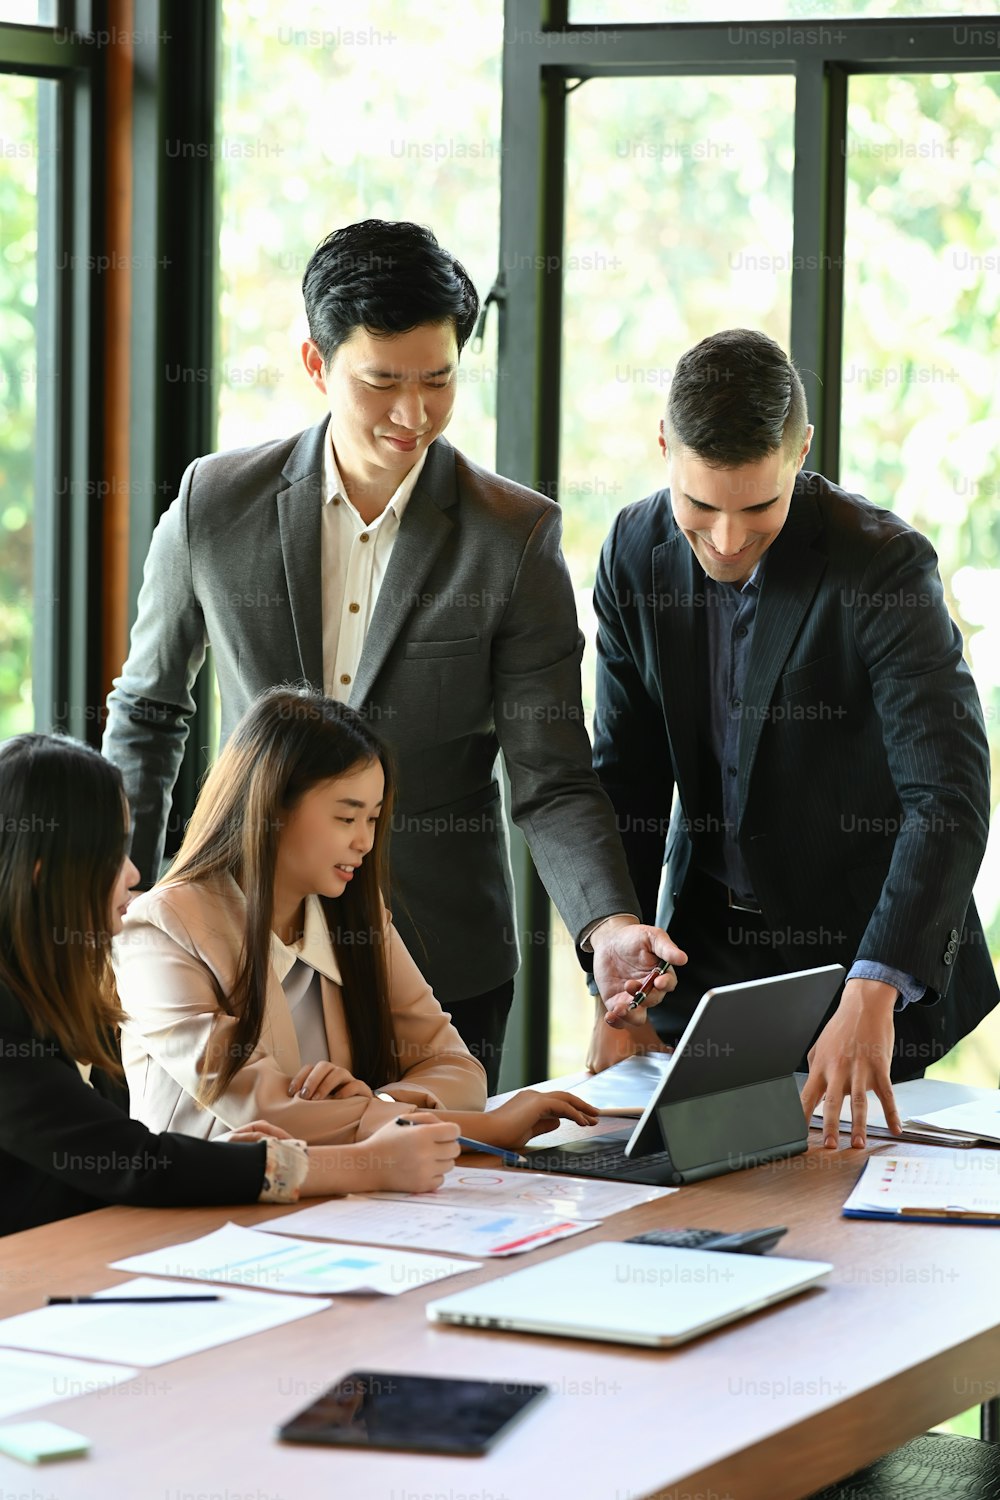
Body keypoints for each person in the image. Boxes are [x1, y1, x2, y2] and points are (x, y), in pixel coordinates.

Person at [101, 218, 677, 1092]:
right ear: (316, 364)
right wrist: (118, 896)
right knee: (263, 1182)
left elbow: (550, 773)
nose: (413, 415)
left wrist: (608, 926)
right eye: (381, 382)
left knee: (441, 1199)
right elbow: (149, 714)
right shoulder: (214, 505)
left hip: (443, 957)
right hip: (239, 943)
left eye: (439, 380)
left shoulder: (512, 538)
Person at [591, 328, 998, 1148]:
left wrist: (874, 987)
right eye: (700, 508)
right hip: (702, 959)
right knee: (681, 1192)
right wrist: (619, 967)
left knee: (851, 1219)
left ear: (801, 452)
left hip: (860, 952)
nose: (729, 541)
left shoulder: (880, 565)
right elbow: (624, 780)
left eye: (760, 510)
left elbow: (947, 795)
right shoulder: (633, 554)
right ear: (664, 446)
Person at [0, 732, 471, 1239]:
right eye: (111, 855)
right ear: (43, 874)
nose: (134, 873)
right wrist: (365, 1164)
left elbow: (94, 1164)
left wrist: (229, 1162)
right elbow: (134, 1163)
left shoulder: (47, 992)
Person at [114, 687, 599, 1148]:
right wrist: (482, 1128)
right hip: (205, 1220)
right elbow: (269, 1114)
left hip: (339, 1200)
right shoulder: (158, 931)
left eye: (373, 819)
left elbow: (456, 1066)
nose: (364, 842)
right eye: (346, 818)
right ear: (271, 809)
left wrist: (382, 1101)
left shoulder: (357, 921)